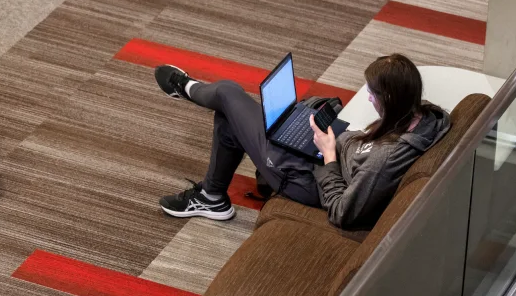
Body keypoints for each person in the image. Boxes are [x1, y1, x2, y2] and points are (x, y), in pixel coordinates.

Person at [154, 54, 450, 230]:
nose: (368, 97)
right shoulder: (420, 116)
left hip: (308, 179)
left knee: (228, 95)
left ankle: (186, 88)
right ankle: (212, 197)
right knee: (237, 117)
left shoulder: (383, 163)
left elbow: (342, 212)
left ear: (390, 99)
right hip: (324, 152)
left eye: (372, 93)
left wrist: (328, 156)